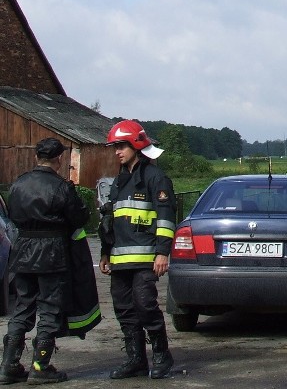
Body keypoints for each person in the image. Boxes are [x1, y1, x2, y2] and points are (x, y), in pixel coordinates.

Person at [0, 138, 91, 384]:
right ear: (59, 159)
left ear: (36, 157)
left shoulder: (18, 184)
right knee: (50, 309)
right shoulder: (62, 187)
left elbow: (12, 215)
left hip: (23, 250)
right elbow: (78, 218)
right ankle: (40, 366)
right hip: (52, 253)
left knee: (23, 307)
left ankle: (8, 365)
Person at [98, 120, 176, 380]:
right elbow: (109, 220)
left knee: (145, 306)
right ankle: (136, 360)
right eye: (115, 147)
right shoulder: (120, 180)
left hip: (146, 259)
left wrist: (162, 253)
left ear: (136, 145)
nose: (117, 151)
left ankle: (162, 356)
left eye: (121, 146)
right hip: (120, 260)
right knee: (124, 310)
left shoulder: (155, 178)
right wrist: (105, 253)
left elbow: (166, 218)